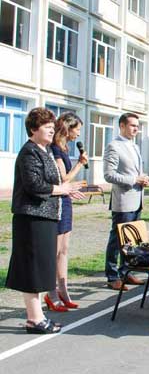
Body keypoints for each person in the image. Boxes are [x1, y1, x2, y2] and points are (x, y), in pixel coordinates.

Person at [5, 107, 83, 334]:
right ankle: (35, 319)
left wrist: (66, 191)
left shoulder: (45, 150)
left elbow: (53, 183)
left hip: (46, 217)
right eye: (47, 127)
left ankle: (36, 318)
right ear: (33, 129)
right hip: (32, 218)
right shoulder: (29, 151)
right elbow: (34, 185)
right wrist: (62, 189)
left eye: (52, 127)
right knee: (33, 269)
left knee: (40, 268)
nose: (52, 131)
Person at [44, 113, 88, 312]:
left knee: (64, 250)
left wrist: (72, 191)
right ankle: (50, 292)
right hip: (56, 203)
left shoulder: (63, 148)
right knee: (54, 251)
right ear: (67, 128)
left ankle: (63, 290)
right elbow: (64, 178)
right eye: (77, 129)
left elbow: (66, 184)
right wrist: (80, 163)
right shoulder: (54, 149)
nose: (78, 133)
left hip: (66, 201)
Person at [103, 113, 149, 291]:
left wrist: (146, 179)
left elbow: (138, 171)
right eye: (132, 125)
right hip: (123, 201)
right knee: (117, 239)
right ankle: (112, 275)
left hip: (137, 199)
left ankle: (125, 271)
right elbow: (109, 175)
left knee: (130, 240)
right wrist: (134, 179)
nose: (136, 129)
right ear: (122, 126)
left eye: (137, 126)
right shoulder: (113, 146)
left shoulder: (135, 147)